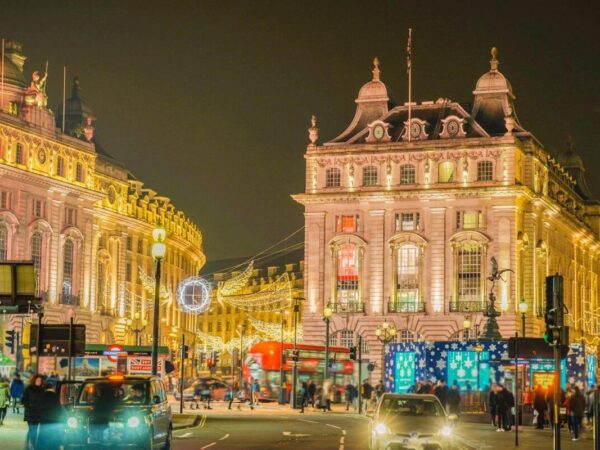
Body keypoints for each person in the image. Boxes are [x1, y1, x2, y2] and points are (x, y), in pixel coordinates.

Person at [22, 374, 45, 450]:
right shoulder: (29, 388)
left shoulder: (42, 390)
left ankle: (28, 445)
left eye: (40, 380)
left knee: (33, 430)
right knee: (33, 430)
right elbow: (23, 399)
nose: (39, 382)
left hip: (39, 414)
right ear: (34, 380)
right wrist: (29, 406)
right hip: (31, 413)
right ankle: (33, 446)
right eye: (38, 380)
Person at [39, 383, 64, 450]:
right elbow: (59, 408)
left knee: (44, 435)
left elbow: (40, 407)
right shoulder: (56, 396)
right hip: (54, 419)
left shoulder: (42, 395)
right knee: (54, 435)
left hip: (44, 419)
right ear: (52, 388)